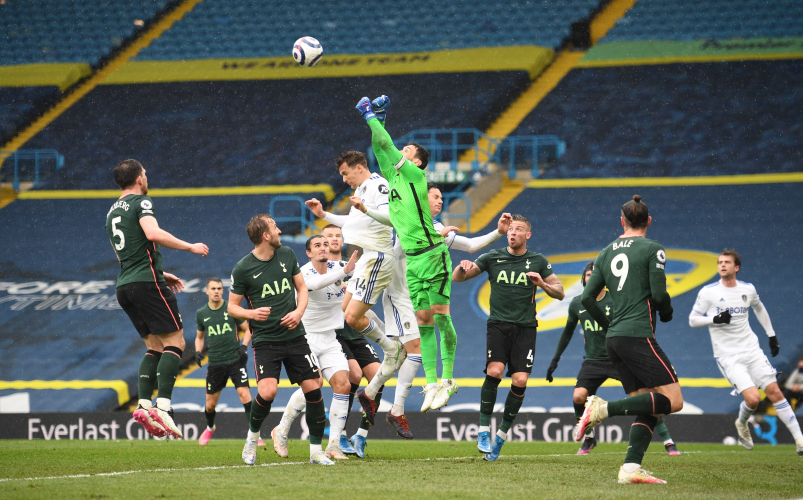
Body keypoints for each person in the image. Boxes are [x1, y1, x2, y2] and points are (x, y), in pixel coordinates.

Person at [353, 183, 511, 440]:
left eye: (441, 197)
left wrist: (498, 232)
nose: (440, 201)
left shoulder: (437, 227)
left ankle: (369, 398)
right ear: (421, 200)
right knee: (414, 352)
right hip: (397, 296)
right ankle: (396, 410)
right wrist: (365, 209)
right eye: (435, 197)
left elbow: (470, 245)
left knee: (400, 356)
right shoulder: (407, 222)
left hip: (415, 299)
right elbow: (399, 233)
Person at [355, 94, 459, 411]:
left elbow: (386, 146)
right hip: (412, 262)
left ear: (415, 161)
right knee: (424, 321)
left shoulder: (415, 176)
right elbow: (379, 148)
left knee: (441, 318)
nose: (402, 150)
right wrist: (381, 121)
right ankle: (431, 384)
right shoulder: (394, 177)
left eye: (408, 150)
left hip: (432, 253)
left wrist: (369, 115)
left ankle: (449, 379)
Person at [575, 195, 681, 485]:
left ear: (621, 221)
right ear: (648, 221)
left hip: (614, 339)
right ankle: (602, 409)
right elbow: (659, 296)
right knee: (674, 401)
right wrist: (668, 311)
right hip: (638, 334)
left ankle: (630, 469)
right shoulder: (652, 248)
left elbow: (586, 297)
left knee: (648, 403)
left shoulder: (606, 251)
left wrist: (608, 323)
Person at [105, 159, 208, 439]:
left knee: (153, 345)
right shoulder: (140, 203)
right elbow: (152, 233)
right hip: (146, 283)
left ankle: (143, 404)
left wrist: (161, 271)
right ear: (139, 179)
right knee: (176, 342)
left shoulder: (111, 211)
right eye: (146, 174)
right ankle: (163, 407)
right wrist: (190, 247)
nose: (147, 178)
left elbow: (124, 256)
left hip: (125, 285)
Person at [453, 214, 564, 461]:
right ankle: (483, 431)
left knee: (521, 380)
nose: (513, 233)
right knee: (494, 372)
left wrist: (542, 284)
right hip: (498, 325)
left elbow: (560, 293)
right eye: (511, 229)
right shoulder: (493, 257)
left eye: (519, 229)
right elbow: (457, 278)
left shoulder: (538, 261)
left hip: (525, 328)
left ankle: (500, 437)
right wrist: (462, 267)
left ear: (528, 235)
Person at [227, 214, 332, 466]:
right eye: (274, 227)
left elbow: (302, 289)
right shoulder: (243, 268)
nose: (279, 230)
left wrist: (298, 312)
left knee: (313, 388)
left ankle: (316, 451)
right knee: (268, 391)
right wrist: (251, 313)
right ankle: (252, 438)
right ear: (265, 235)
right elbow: (232, 307)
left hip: (295, 336)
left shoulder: (286, 254)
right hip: (266, 340)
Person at [548, 262, 680, 456]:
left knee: (644, 397)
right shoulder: (577, 303)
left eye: (594, 275)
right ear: (583, 279)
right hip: (592, 361)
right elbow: (568, 331)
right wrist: (555, 360)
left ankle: (668, 440)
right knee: (578, 396)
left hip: (617, 358)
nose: (590, 278)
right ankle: (588, 438)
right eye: (587, 275)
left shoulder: (616, 299)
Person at [688, 249, 803, 455]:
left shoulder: (748, 289)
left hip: (752, 350)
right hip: (728, 356)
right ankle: (741, 424)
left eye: (727, 262)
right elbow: (693, 319)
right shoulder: (709, 292)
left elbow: (759, 308)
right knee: (753, 400)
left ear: (736, 267)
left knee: (775, 392)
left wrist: (771, 335)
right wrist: (713, 319)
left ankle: (800, 440)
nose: (722, 265)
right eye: (719, 262)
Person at [305, 151, 404, 381]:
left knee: (352, 317)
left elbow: (393, 217)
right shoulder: (360, 190)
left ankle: (392, 349)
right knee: (347, 309)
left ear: (359, 167)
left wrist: (366, 209)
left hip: (378, 256)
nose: (343, 179)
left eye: (345, 173)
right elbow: (353, 220)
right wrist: (324, 214)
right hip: (367, 257)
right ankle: (392, 342)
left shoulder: (378, 185)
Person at [271, 235, 358, 460]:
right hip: (306, 337)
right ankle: (281, 428)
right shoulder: (304, 272)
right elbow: (316, 285)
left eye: (325, 245)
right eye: (317, 246)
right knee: (315, 384)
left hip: (330, 338)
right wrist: (344, 273)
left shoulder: (340, 267)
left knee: (343, 384)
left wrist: (352, 283)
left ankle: (334, 445)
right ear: (309, 252)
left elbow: (360, 282)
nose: (322, 248)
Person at [193, 277, 258, 446]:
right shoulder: (201, 313)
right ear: (207, 291)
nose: (216, 291)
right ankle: (210, 427)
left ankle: (254, 436)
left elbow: (248, 330)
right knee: (209, 405)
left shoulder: (231, 309)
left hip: (235, 360)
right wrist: (198, 351)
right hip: (215, 363)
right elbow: (199, 337)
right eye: (213, 288)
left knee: (245, 395)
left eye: (219, 288)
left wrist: (244, 346)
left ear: (223, 290)